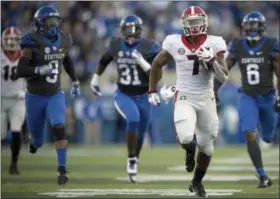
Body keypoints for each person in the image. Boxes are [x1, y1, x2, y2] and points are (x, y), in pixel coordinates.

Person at [148, 6, 228, 197]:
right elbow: (157, 64)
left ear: (205, 23)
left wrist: (212, 61)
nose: (194, 26)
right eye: (190, 22)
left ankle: (197, 182)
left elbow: (224, 76)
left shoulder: (215, 42)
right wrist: (151, 90)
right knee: (185, 138)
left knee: (207, 146)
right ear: (183, 24)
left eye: (197, 22)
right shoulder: (174, 42)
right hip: (184, 95)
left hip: (206, 97)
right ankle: (189, 150)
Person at [90, 15, 161, 183]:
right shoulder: (116, 44)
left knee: (142, 135)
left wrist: (142, 62)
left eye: (134, 31)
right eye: (127, 31)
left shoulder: (150, 46)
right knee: (133, 119)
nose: (130, 35)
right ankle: (131, 159)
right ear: (122, 31)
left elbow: (157, 76)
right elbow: (104, 60)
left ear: (140, 31)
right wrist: (95, 78)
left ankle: (134, 158)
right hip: (124, 94)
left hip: (144, 96)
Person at [16, 6, 80, 185]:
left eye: (56, 21)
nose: (53, 25)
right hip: (35, 96)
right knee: (38, 140)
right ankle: (34, 143)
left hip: (55, 94)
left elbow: (66, 59)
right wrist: (38, 69)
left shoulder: (64, 39)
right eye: (49, 22)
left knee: (59, 126)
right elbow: (21, 69)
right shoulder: (31, 42)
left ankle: (62, 169)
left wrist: (75, 81)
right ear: (40, 23)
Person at [226, 11, 279, 188]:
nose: (252, 29)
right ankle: (262, 175)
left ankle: (268, 138)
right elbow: (223, 70)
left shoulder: (271, 45)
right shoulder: (237, 45)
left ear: (262, 27)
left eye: (255, 25)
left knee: (268, 137)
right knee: (249, 132)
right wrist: (213, 88)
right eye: (249, 25)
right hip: (248, 96)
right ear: (243, 28)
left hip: (268, 97)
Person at [1, 27, 26, 175]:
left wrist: (26, 91)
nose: (10, 43)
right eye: (8, 40)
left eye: (13, 40)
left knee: (16, 130)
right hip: (1, 100)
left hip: (18, 100)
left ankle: (14, 164)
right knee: (1, 133)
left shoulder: (26, 58)